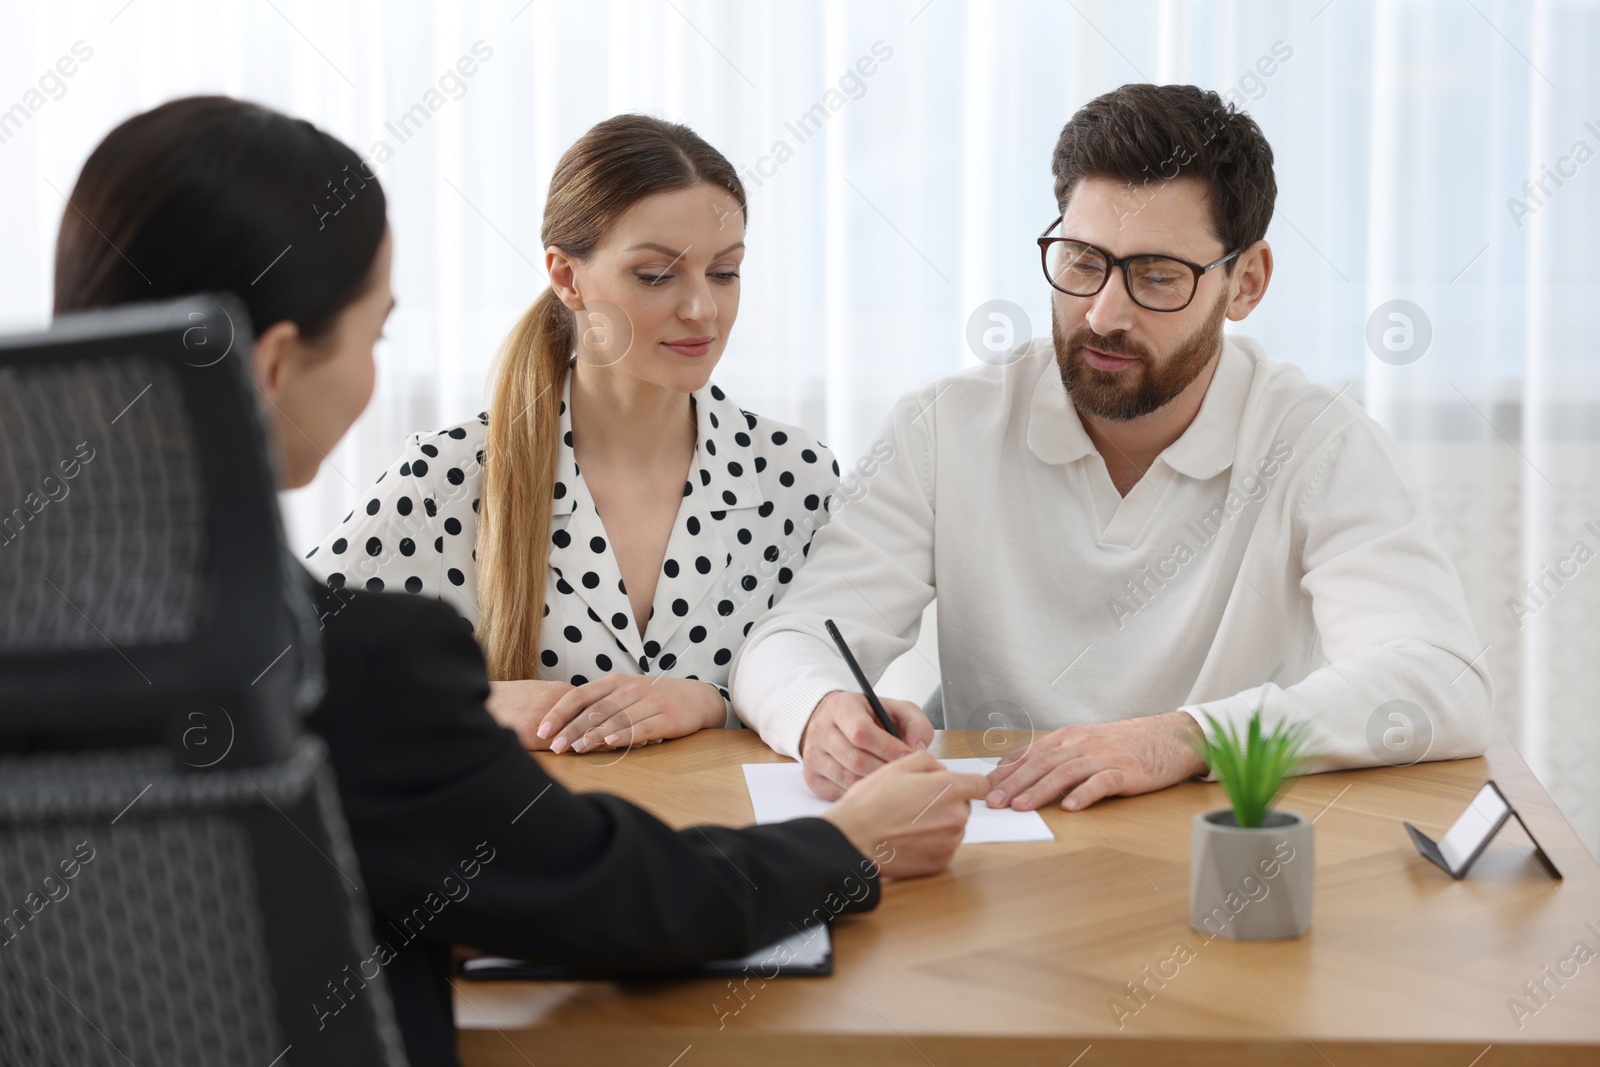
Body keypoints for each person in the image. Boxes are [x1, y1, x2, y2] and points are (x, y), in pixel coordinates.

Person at [52, 95, 987, 1067]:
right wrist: (851, 845)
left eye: (724, 271)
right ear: (276, 366)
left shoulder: (97, 608)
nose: (700, 305)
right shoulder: (350, 654)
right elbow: (605, 893)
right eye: (376, 337)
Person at [729, 82, 1493, 811]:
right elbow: (790, 639)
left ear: (1247, 283)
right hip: (999, 854)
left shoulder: (1320, 443)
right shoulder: (945, 428)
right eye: (1081, 262)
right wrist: (820, 711)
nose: (1101, 314)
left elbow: (1438, 681)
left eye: (1157, 277)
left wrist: (1186, 738)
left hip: (1211, 853)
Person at [305, 115, 839, 757]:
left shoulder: (800, 479)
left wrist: (713, 704)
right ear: (566, 276)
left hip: (746, 854)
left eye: (724, 273)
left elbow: (832, 704)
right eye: (656, 275)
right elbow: (280, 671)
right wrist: (471, 704)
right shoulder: (449, 477)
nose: (702, 309)